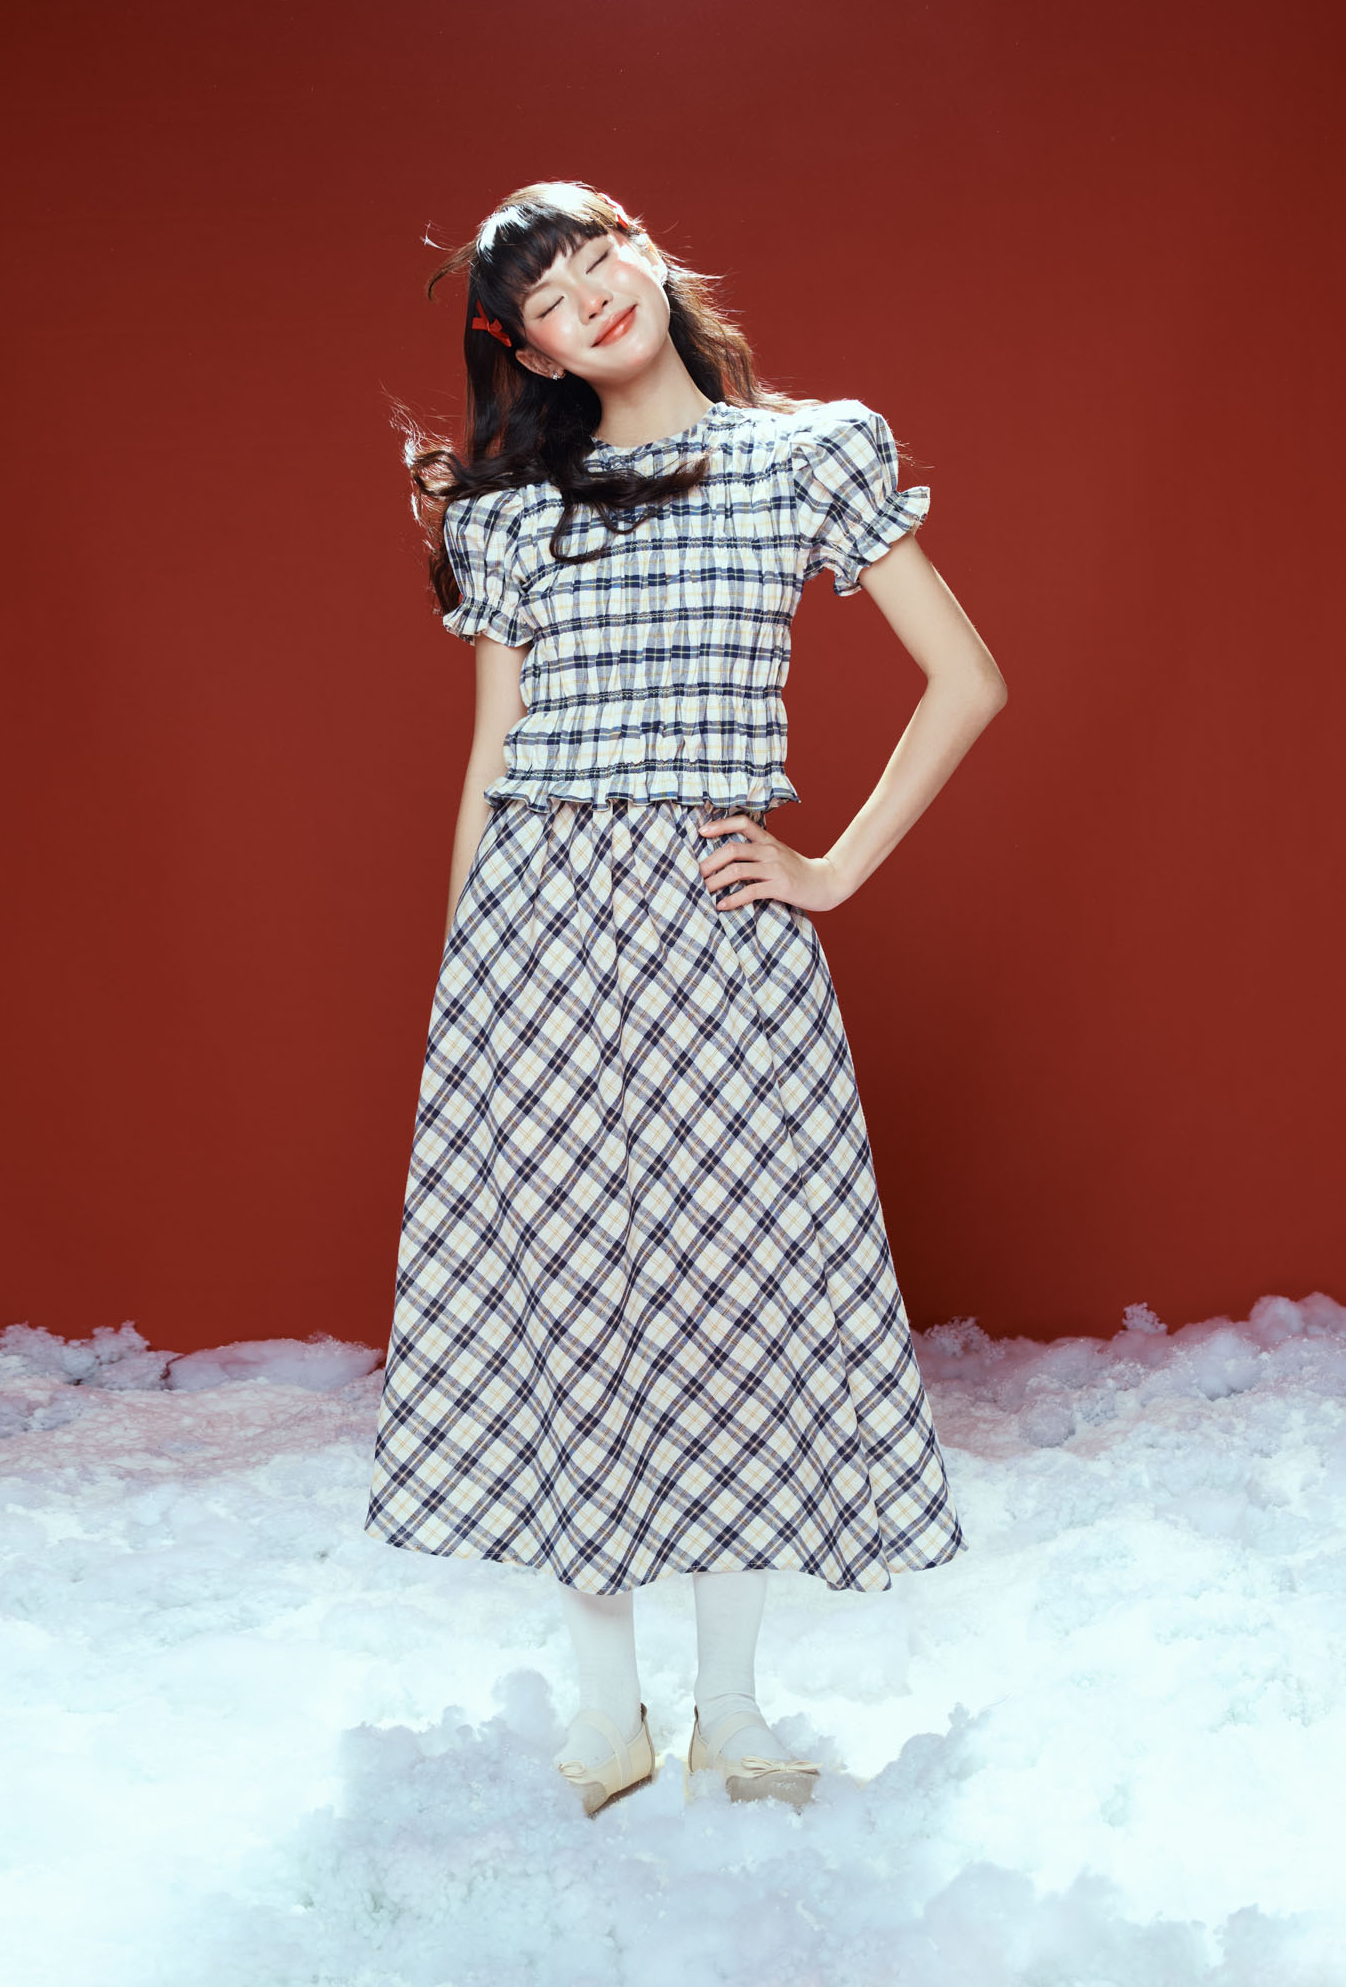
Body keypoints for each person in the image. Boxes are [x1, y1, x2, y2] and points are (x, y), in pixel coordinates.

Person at [364, 178, 1005, 1818]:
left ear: (649, 258)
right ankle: (608, 1717)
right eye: (551, 297)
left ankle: (732, 1711)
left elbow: (968, 679)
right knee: (570, 1301)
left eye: (603, 259)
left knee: (739, 1301)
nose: (593, 297)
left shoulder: (807, 456)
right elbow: (491, 760)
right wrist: (463, 984)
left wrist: (831, 868)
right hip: (536, 934)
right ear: (530, 350)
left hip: (719, 927)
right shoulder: (512, 518)